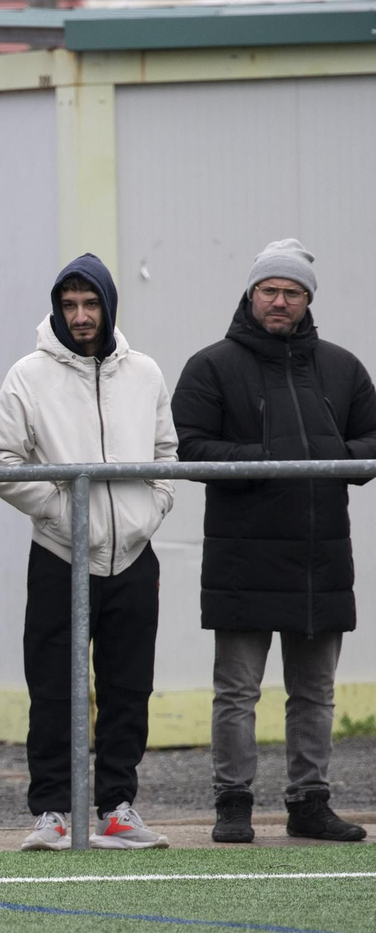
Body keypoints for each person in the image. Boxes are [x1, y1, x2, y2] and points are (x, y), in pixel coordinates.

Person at [172, 239, 376, 844]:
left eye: (291, 292)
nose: (279, 301)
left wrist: (332, 457)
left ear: (308, 299)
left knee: (314, 692)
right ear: (251, 294)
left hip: (321, 558)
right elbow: (188, 446)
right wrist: (266, 460)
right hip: (242, 557)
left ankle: (309, 803)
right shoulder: (211, 366)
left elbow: (371, 441)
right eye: (270, 290)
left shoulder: (342, 367)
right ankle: (233, 804)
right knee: (237, 692)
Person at [0, 254, 175, 852]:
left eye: (91, 304)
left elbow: (168, 455)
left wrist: (151, 511)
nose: (81, 316)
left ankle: (117, 808)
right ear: (57, 310)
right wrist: (67, 513)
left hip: (135, 558)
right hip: (60, 555)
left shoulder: (144, 372)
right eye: (70, 305)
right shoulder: (28, 374)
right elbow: (0, 464)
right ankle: (53, 813)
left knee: (128, 686)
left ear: (109, 307)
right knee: (52, 685)